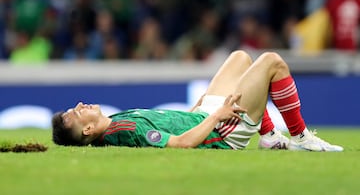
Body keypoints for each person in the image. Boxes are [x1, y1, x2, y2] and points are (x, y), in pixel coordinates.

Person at [52, 50, 343, 151]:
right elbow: (181, 144)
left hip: (203, 115)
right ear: (87, 131)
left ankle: (267, 135)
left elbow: (169, 125)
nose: (79, 106)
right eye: (74, 115)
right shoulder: (124, 130)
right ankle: (301, 137)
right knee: (272, 62)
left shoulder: (114, 123)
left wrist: (201, 106)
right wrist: (217, 115)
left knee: (240, 58)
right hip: (220, 130)